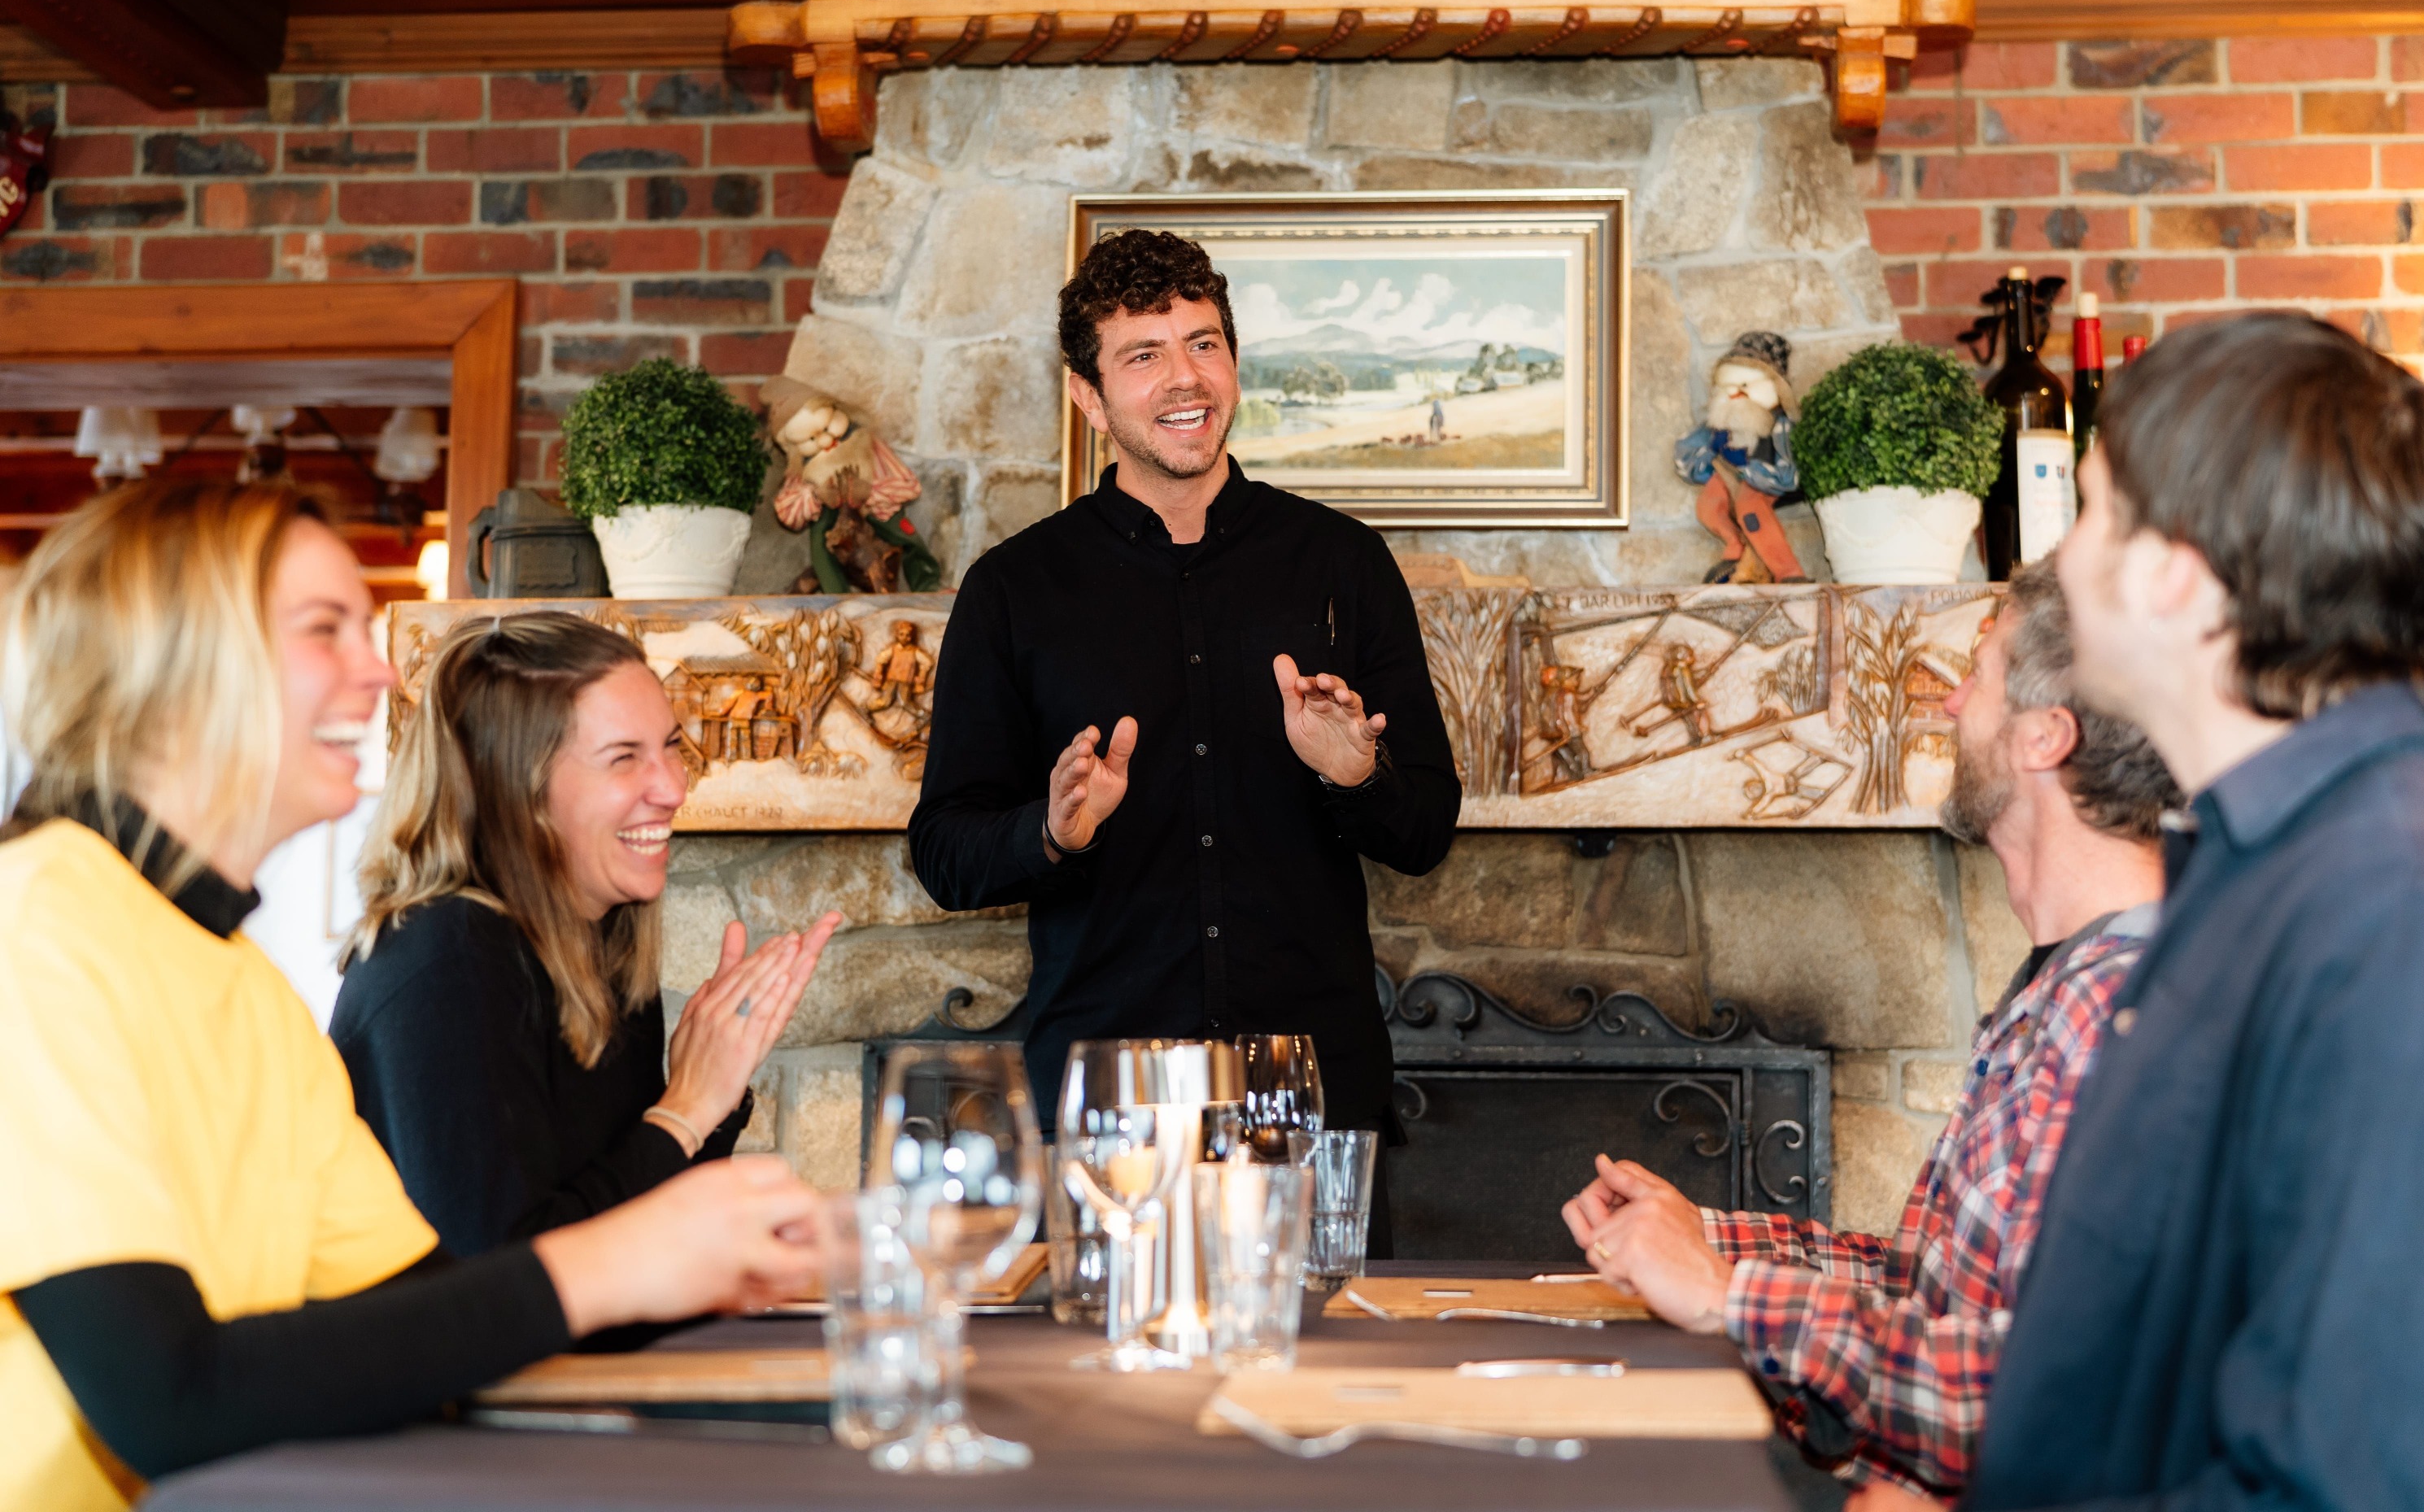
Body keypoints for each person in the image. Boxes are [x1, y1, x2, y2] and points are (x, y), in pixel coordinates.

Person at [0, 483, 824, 1512]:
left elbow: (426, 1309)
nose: (379, 670)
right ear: (173, 668)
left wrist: (695, 1248)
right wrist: (618, 1254)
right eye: (323, 629)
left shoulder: (243, 986)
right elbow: (166, 1394)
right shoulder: (36, 923)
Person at [1562, 556, 2181, 1504]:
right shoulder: (2062, 980)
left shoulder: (2119, 1015)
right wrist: (1702, 1239)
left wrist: (1730, 1297)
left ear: (2045, 737)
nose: (1948, 706)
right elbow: (1924, 1287)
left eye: (1977, 674)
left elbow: (2064, 1391)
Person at [1968, 314, 2424, 1510]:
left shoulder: (2389, 910)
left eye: (2089, 511)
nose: (2064, 559)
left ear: (2172, 568)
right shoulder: (2245, 866)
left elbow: (2354, 1475)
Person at [907, 228, 1460, 1164]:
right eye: (1144, 355)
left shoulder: (1342, 561)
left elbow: (1427, 827)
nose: (1185, 379)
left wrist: (1356, 777)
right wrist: (1052, 831)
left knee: (1329, 1321)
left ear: (1234, 363)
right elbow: (945, 852)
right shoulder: (1015, 587)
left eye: (1204, 344)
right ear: (1089, 395)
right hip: (1109, 1090)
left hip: (1314, 1086)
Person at [331, 614, 842, 1260]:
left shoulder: (603, 945)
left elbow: (644, 1234)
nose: (675, 787)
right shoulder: (449, 955)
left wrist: (711, 1089)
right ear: (519, 790)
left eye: (672, 746)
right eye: (624, 758)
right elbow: (509, 1280)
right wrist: (683, 1110)